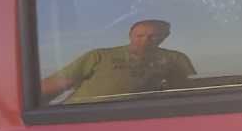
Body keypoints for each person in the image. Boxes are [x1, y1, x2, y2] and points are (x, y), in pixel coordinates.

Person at [41, 19, 195, 103]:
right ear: (130, 36)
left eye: (152, 36)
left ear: (164, 37)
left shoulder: (175, 59)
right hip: (78, 115)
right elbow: (55, 84)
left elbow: (189, 93)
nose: (145, 41)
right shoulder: (99, 56)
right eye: (140, 36)